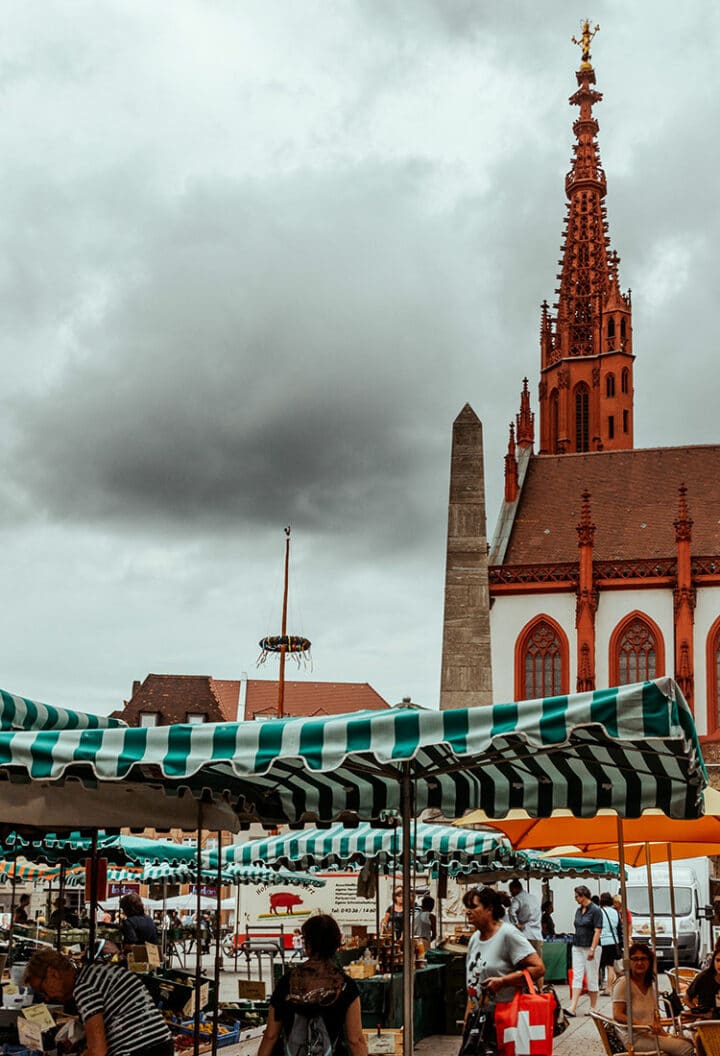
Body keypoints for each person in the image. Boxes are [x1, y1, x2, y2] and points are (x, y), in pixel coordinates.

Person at [24, 948, 173, 1056]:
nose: (47, 998)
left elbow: (97, 1051)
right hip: (163, 1043)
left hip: (139, 1050)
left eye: (42, 990)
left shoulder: (84, 988)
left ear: (52, 973)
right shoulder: (95, 973)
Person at [257, 913, 368, 1056]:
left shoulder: (287, 982)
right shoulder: (346, 986)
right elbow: (355, 1040)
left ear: (308, 945)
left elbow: (270, 1035)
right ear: (336, 944)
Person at [463, 886, 544, 1030]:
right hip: (478, 1020)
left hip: (505, 1020)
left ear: (489, 909)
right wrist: (467, 1022)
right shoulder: (475, 938)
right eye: (467, 907)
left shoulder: (508, 934)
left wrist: (503, 981)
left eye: (473, 906)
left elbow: (538, 968)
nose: (467, 911)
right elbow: (472, 984)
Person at [612, 942, 694, 1056]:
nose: (639, 962)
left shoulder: (649, 984)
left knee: (690, 1042)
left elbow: (655, 1019)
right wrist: (642, 1024)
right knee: (686, 1048)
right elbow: (617, 1014)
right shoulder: (623, 983)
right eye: (635, 959)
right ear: (629, 962)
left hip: (651, 1035)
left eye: (643, 959)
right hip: (634, 1039)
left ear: (649, 962)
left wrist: (667, 1035)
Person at [566, 884, 603, 1016]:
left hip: (590, 946)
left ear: (583, 896)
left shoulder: (596, 910)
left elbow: (597, 930)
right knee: (577, 975)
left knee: (592, 975)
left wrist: (592, 949)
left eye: (577, 896)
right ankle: (573, 1007)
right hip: (577, 945)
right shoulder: (578, 910)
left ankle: (593, 1007)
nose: (575, 899)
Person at [507, 879, 544, 983]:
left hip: (525, 935)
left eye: (511, 890)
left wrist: (516, 924)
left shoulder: (517, 898)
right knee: (539, 965)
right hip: (537, 935)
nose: (511, 893)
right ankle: (540, 990)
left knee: (524, 965)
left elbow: (511, 911)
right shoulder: (534, 898)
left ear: (516, 888)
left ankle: (527, 989)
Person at [598, 891, 623, 995]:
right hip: (614, 941)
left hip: (602, 941)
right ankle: (609, 988)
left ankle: (596, 987)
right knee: (610, 966)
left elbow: (596, 928)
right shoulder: (616, 912)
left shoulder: (599, 912)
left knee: (598, 966)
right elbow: (619, 928)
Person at [686, 947, 720, 1012]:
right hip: (706, 1019)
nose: (719, 964)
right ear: (713, 961)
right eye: (717, 960)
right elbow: (687, 999)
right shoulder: (703, 977)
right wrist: (698, 1012)